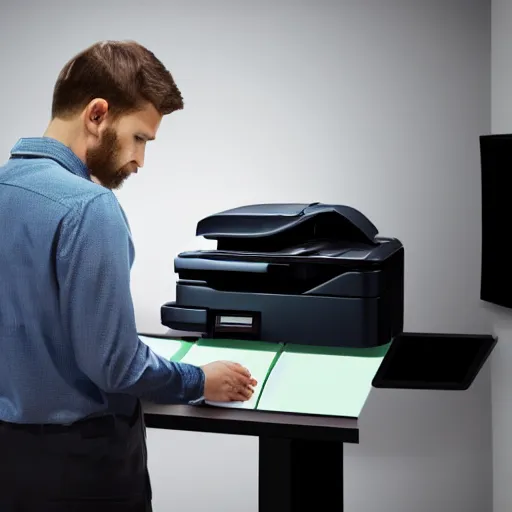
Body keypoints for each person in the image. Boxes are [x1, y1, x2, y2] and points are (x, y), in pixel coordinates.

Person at [0, 40, 257, 511]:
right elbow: (114, 364)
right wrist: (199, 381)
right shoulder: (89, 208)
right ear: (97, 115)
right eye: (140, 137)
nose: (140, 159)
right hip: (82, 470)